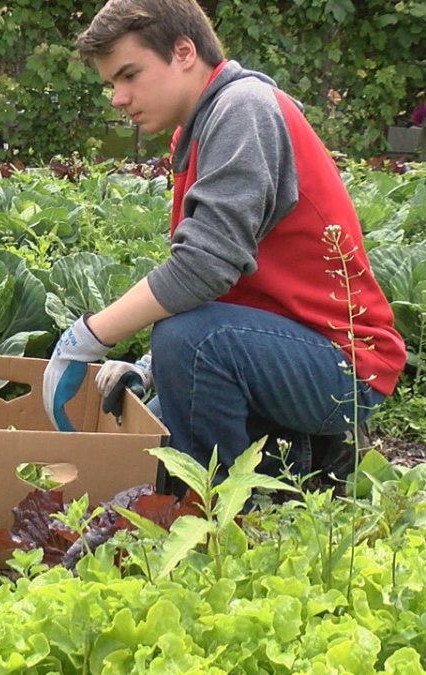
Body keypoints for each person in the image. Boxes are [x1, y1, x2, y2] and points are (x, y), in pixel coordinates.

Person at [43, 0, 407, 490]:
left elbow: (201, 269)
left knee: (192, 344)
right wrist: (151, 369)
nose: (118, 98)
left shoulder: (243, 110)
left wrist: (88, 336)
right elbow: (217, 282)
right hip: (283, 345)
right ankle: (297, 461)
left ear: (184, 51)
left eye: (129, 75)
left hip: (345, 366)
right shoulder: (199, 131)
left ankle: (223, 507)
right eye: (112, 83)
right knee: (153, 431)